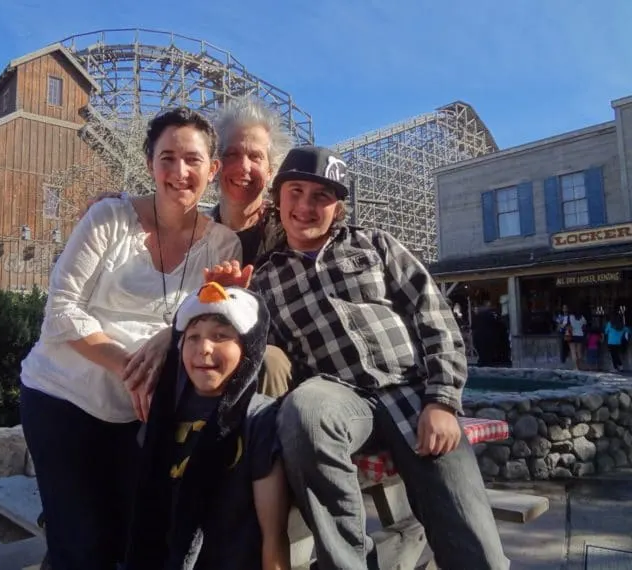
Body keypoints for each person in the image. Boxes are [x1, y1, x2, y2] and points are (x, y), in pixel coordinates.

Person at [237, 145, 509, 569]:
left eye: (321, 196)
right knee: (305, 408)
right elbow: (248, 352)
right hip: (340, 400)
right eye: (296, 191)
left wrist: (441, 401)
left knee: (477, 550)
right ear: (278, 197)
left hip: (414, 395)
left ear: (338, 206)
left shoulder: (374, 245)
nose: (306, 206)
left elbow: (433, 316)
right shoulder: (266, 279)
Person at [19, 107, 242, 570]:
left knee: (135, 540)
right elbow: (60, 311)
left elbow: (208, 321)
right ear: (149, 164)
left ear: (213, 169)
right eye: (167, 158)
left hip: (139, 417)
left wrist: (169, 335)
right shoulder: (109, 219)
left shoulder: (222, 245)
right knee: (82, 547)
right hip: (63, 395)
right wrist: (129, 368)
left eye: (193, 160)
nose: (179, 172)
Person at [114, 97, 294, 405]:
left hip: (267, 360)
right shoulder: (198, 233)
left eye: (255, 156)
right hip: (200, 356)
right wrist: (117, 205)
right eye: (232, 154)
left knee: (269, 360)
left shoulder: (290, 230)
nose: (243, 167)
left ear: (272, 168)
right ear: (215, 165)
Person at [126, 282, 290, 570]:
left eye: (220, 335)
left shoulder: (259, 418)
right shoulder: (163, 412)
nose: (204, 348)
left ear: (248, 347)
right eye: (193, 337)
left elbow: (273, 536)